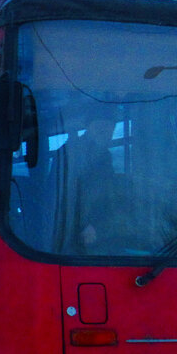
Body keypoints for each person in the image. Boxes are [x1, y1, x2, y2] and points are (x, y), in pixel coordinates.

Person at [62, 107, 122, 253]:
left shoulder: (104, 156)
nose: (106, 132)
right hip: (79, 231)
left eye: (110, 128)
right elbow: (67, 194)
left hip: (97, 226)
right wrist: (84, 224)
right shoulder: (73, 153)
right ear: (88, 127)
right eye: (100, 127)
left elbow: (106, 191)